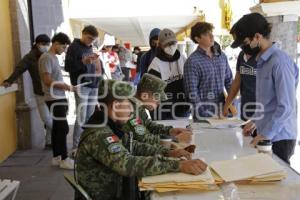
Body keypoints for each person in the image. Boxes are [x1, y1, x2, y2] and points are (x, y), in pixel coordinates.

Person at [75, 79, 207, 200]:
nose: (131, 111)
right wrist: (178, 165)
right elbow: (127, 164)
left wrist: (167, 153)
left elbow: (134, 146)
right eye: (128, 105)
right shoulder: (99, 135)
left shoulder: (109, 126)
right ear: (115, 105)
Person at [230, 13, 299, 164]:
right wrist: (254, 120)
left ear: (257, 37)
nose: (243, 48)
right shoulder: (261, 61)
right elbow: (266, 101)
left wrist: (266, 134)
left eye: (245, 42)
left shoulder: (279, 62)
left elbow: (286, 106)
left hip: (279, 137)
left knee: (275, 183)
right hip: (266, 133)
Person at [1, 34, 52, 148]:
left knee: (51, 118)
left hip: (52, 91)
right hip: (40, 92)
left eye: (48, 45)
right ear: (38, 44)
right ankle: (58, 131)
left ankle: (49, 142)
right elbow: (20, 68)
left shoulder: (48, 55)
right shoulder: (30, 57)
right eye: (45, 45)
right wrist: (9, 80)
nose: (47, 47)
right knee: (47, 119)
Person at [123, 73, 192, 145]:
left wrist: (170, 131)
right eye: (156, 98)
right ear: (144, 95)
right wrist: (176, 140)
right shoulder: (130, 109)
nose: (159, 103)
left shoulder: (139, 106)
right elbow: (144, 139)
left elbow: (149, 125)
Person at [39, 32, 74, 169]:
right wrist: (66, 86)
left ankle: (56, 156)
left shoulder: (52, 57)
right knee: (63, 128)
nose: (64, 50)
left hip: (57, 96)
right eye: (63, 47)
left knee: (57, 128)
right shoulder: (47, 57)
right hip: (54, 97)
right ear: (56, 43)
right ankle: (64, 159)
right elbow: (47, 80)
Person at [184, 22, 233, 118]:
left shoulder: (221, 56)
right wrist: (204, 114)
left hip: (223, 112)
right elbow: (192, 92)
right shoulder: (192, 61)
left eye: (211, 33)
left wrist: (232, 103)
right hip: (203, 115)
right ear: (197, 38)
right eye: (206, 34)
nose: (211, 36)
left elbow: (229, 81)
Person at [65, 25, 101, 151]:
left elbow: (95, 67)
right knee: (81, 117)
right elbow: (68, 67)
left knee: (89, 117)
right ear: (83, 34)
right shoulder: (73, 47)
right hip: (81, 85)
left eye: (93, 40)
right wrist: (83, 62)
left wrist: (97, 79)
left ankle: (85, 145)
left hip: (93, 85)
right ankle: (76, 147)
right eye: (89, 38)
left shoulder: (91, 48)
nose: (90, 41)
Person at [148, 28, 190, 120]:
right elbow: (153, 93)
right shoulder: (155, 65)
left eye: (173, 43)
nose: (171, 46)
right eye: (167, 44)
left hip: (183, 109)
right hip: (165, 112)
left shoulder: (182, 58)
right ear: (160, 45)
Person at [223, 47, 257, 121]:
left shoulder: (264, 56)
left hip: (261, 111)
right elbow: (237, 82)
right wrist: (227, 104)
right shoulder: (241, 55)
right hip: (245, 108)